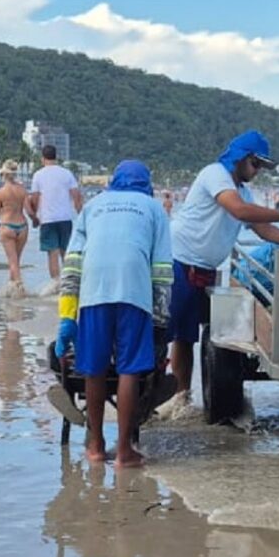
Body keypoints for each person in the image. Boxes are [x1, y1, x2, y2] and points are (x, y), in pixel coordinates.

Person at [164, 130, 279, 408]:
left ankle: (181, 396)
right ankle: (162, 393)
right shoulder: (215, 174)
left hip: (206, 268)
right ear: (241, 158)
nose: (258, 171)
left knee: (190, 335)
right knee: (172, 333)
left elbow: (262, 228)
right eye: (256, 164)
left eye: (262, 167)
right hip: (180, 260)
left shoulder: (243, 191)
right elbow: (240, 212)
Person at [54, 160, 171, 466]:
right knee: (129, 369)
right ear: (146, 183)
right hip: (135, 291)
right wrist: (160, 319)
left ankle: (94, 446)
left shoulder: (93, 206)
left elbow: (72, 263)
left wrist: (67, 315)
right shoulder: (153, 208)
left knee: (92, 368)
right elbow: (162, 270)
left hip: (93, 290)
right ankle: (124, 451)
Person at [28, 144, 83, 292]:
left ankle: (56, 284)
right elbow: (76, 196)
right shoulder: (67, 173)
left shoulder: (38, 175)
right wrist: (81, 215)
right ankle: (70, 283)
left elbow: (34, 198)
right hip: (65, 217)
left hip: (47, 218)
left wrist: (34, 215)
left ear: (42, 158)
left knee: (52, 252)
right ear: (56, 157)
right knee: (66, 250)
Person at [0, 158, 30, 296]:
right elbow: (29, 210)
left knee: (12, 261)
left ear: (4, 174)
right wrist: (36, 219)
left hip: (7, 226)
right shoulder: (22, 190)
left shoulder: (1, 192)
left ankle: (19, 288)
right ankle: (11, 286)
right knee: (16, 260)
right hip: (22, 226)